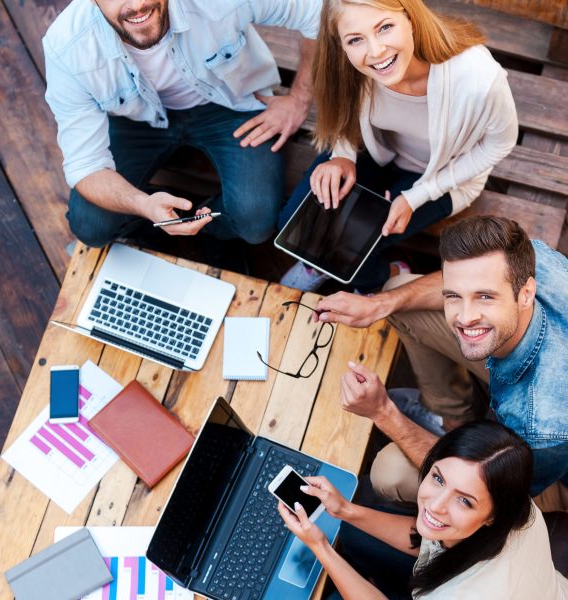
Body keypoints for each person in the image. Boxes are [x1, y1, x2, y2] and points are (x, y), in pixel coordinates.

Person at [315, 216, 568, 504]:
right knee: (397, 290)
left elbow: (497, 492)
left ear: (526, 294)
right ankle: (452, 421)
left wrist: (383, 412)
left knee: (390, 473)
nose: (463, 317)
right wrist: (377, 305)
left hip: (539, 478)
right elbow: (461, 281)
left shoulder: (543, 425)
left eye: (485, 296)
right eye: (454, 296)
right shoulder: (530, 256)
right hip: (522, 363)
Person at [279, 0, 518, 293]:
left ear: (411, 18)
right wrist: (342, 155)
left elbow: (499, 144)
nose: (376, 51)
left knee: (352, 243)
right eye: (355, 39)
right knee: (295, 224)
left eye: (385, 27)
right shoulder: (348, 63)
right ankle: (318, 263)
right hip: (376, 151)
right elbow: (344, 112)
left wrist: (416, 196)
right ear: (341, 44)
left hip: (441, 176)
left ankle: (383, 277)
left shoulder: (478, 76)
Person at [43, 0, 321, 248]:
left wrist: (299, 99)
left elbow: (318, 12)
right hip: (136, 119)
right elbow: (86, 166)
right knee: (90, 226)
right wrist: (143, 204)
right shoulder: (66, 46)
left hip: (229, 102)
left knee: (256, 221)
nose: (137, 5)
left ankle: (198, 226)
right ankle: (160, 219)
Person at [278, 421, 568, 599]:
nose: (436, 505)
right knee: (353, 533)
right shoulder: (517, 509)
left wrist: (321, 547)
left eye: (464, 500)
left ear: (493, 515)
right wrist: (345, 510)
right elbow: (427, 540)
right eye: (439, 478)